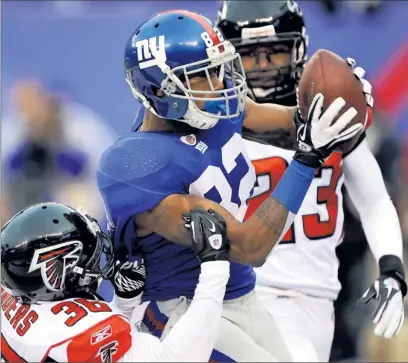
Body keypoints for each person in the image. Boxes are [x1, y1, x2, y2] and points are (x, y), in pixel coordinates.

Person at [97, 9, 365, 361]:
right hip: (183, 310)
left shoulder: (213, 108)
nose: (219, 83)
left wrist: (337, 108)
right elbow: (251, 247)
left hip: (242, 294)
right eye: (201, 75)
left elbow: (295, 127)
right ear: (160, 89)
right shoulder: (137, 165)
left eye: (218, 69)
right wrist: (307, 159)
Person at [216, 1, 406, 361]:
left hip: (316, 296)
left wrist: (392, 270)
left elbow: (376, 201)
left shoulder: (329, 104)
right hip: (242, 292)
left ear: (298, 46)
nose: (264, 66)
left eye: (275, 51)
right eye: (251, 55)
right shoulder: (211, 118)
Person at [1, 202, 232, 362]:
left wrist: (125, 303)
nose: (94, 266)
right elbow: (179, 358)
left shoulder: (16, 289)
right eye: (88, 260)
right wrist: (215, 266)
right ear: (54, 274)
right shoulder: (83, 335)